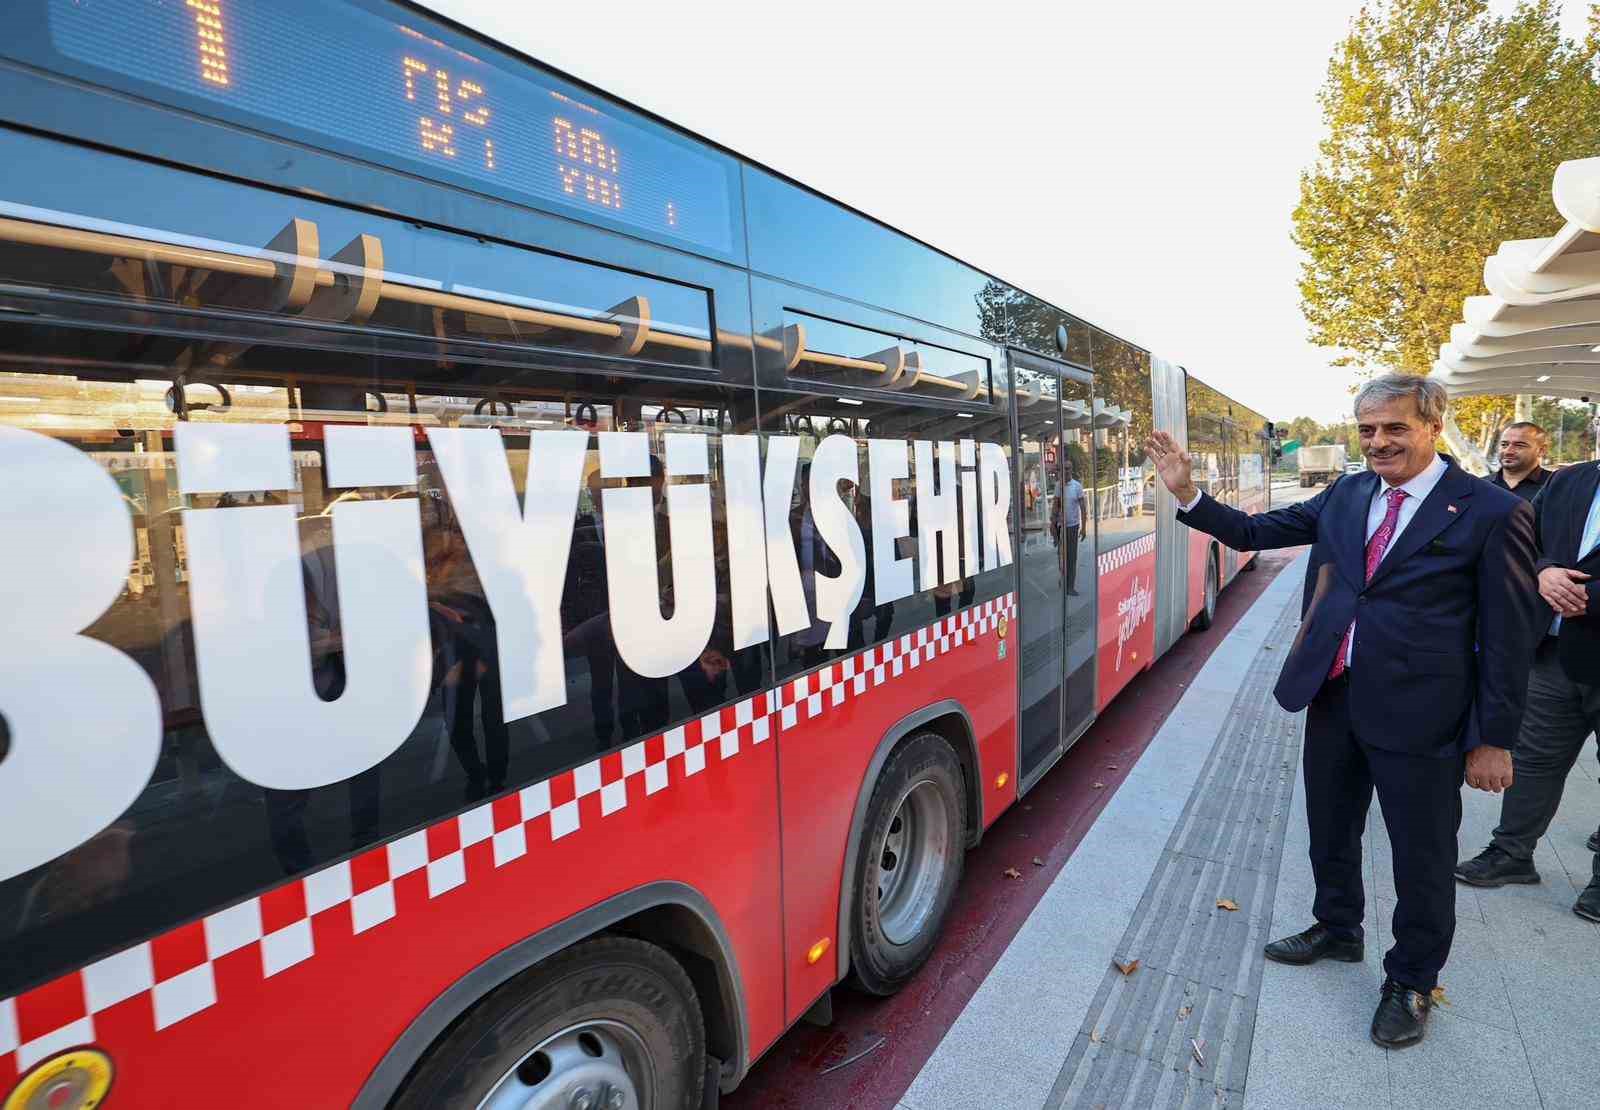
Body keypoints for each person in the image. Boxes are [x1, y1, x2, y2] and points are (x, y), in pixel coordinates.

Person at [1144, 374, 1540, 1049]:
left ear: (1433, 426)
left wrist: (1494, 739)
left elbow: (1508, 637)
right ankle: (1337, 926)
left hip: (1425, 715)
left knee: (1421, 855)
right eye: (1367, 430)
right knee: (1329, 827)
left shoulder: (1491, 510)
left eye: (1394, 428)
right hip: (1334, 695)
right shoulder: (1349, 492)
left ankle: (1411, 980)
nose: (1378, 442)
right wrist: (1188, 493)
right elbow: (1252, 531)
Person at [1454, 457, 1600, 920]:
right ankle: (1512, 853)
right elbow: (1529, 540)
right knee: (1534, 759)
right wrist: (1544, 570)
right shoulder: (1571, 479)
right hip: (1553, 653)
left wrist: (1592, 599)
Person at [1488, 421, 1552, 502]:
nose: (1508, 451)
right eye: (1504, 445)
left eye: (1519, 445)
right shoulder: (1480, 486)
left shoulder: (1556, 486)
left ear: (1541, 450)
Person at [1053, 459, 1088, 595]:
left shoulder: (1077, 486)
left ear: (1071, 470)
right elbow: (1055, 505)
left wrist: (1084, 528)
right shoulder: (1058, 486)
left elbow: (1083, 508)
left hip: (1073, 527)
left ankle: (1070, 587)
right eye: (1064, 469)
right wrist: (1053, 523)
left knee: (1071, 557)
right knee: (1061, 556)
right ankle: (1063, 580)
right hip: (1061, 527)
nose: (1066, 471)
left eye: (1068, 468)